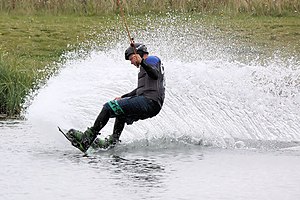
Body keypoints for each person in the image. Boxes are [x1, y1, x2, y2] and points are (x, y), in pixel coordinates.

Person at [66, 43, 165, 152]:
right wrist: (123, 97)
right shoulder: (145, 67)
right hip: (152, 105)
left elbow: (154, 74)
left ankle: (87, 138)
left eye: (131, 58)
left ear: (139, 54)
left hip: (149, 101)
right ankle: (112, 144)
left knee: (108, 107)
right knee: (120, 112)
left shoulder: (151, 60)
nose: (131, 62)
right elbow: (140, 90)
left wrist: (142, 61)